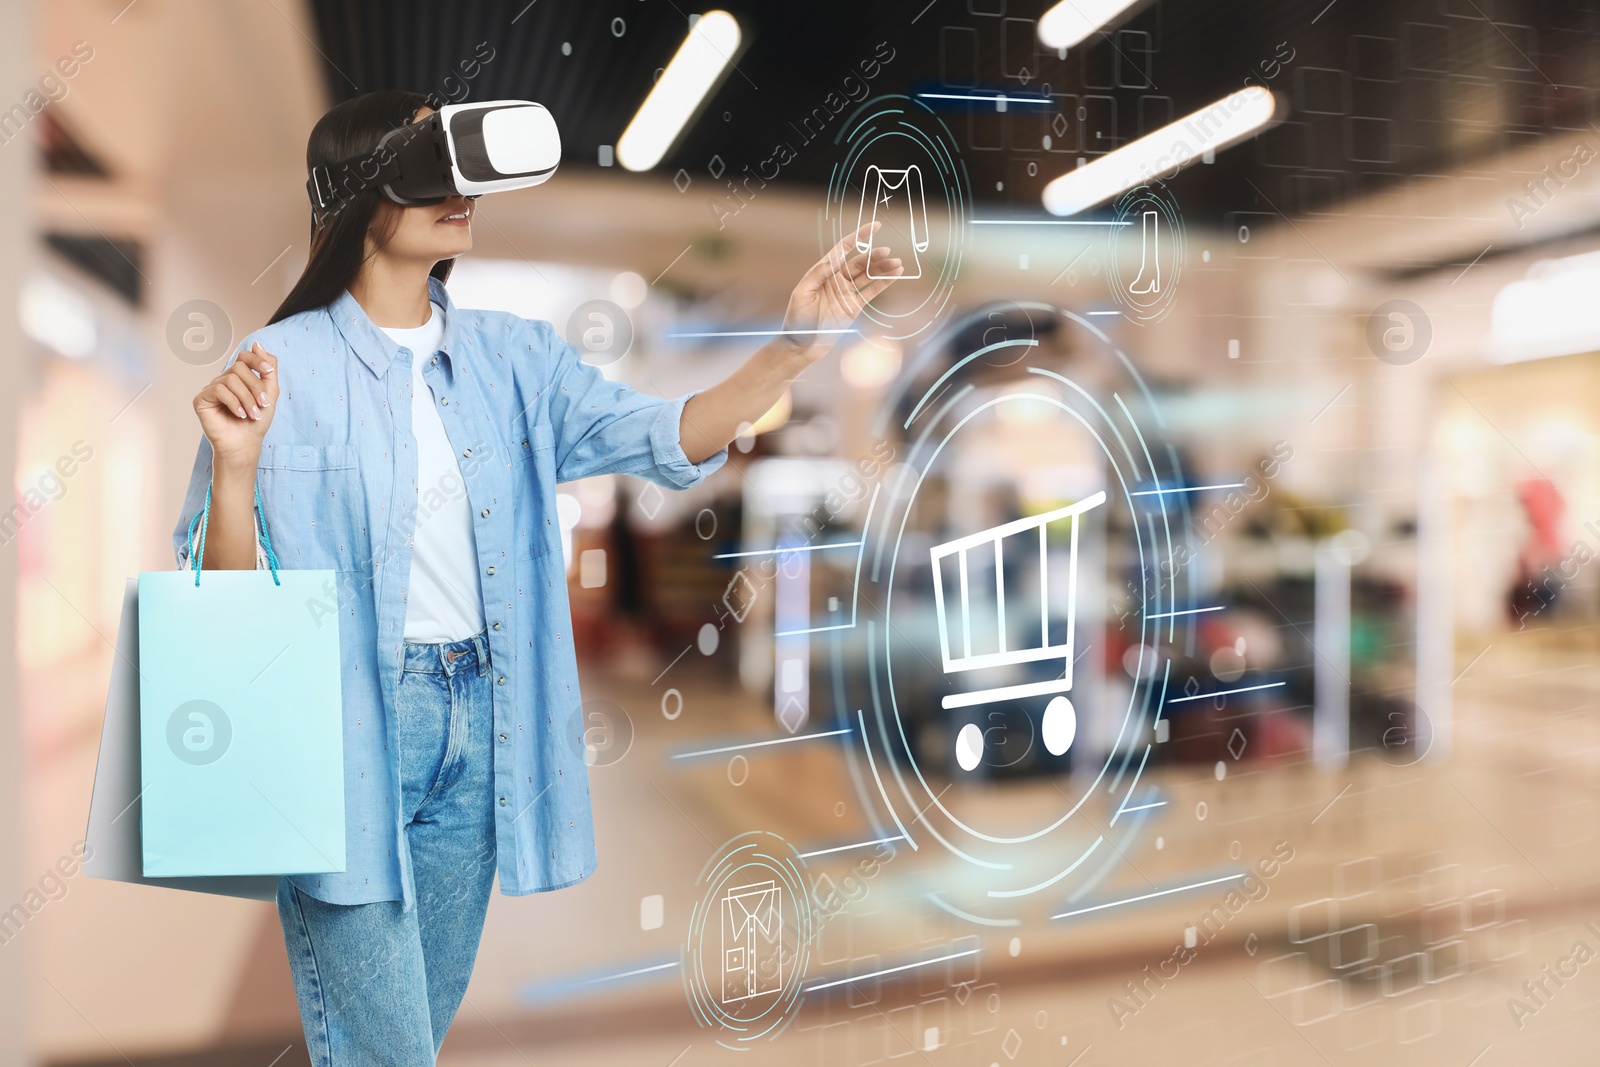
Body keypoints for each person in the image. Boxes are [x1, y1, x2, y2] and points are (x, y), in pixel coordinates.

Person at [171, 90, 903, 1064]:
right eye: (431, 164)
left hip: (481, 725)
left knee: (402, 1035)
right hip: (343, 727)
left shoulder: (513, 358)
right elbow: (220, 607)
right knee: (387, 1050)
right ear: (357, 191)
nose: (462, 188)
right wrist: (234, 466)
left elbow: (661, 434)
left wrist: (795, 344)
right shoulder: (276, 368)